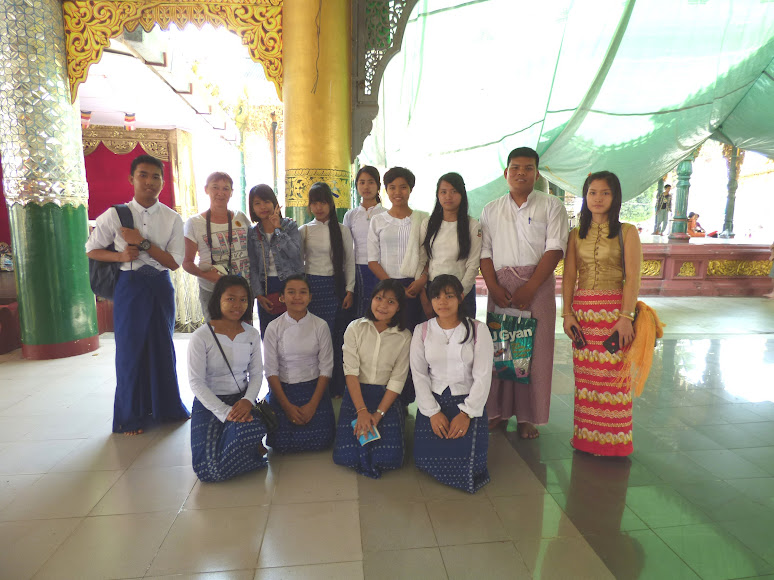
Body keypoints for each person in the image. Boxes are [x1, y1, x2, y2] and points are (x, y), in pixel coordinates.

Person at [85, 154, 189, 434]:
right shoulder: (115, 215)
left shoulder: (172, 218)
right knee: (130, 351)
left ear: (163, 182)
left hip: (159, 285)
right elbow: (91, 249)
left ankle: (168, 408)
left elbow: (174, 262)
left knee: (162, 347)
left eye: (156, 176)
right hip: (130, 286)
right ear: (131, 179)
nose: (150, 182)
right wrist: (120, 256)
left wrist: (141, 243)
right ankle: (130, 417)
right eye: (143, 175)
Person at [480, 146, 569, 439]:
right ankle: (500, 413)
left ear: (536, 173)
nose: (521, 173)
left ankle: (527, 417)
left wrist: (530, 288)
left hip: (538, 287)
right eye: (515, 168)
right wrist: (493, 286)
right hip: (501, 288)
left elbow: (555, 249)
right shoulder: (490, 209)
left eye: (528, 168)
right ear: (506, 173)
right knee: (503, 353)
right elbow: (485, 252)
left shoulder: (551, 206)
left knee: (533, 355)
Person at [562, 171, 642, 456]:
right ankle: (586, 439)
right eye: (592, 192)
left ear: (614, 197)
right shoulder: (575, 234)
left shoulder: (627, 232)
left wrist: (625, 317)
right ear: (585, 196)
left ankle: (615, 443)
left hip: (613, 314)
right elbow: (569, 275)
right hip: (583, 315)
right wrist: (567, 314)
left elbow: (632, 278)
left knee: (615, 380)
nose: (598, 198)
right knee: (586, 381)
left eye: (605, 192)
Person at [411, 275, 494, 493]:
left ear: (460, 297)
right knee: (425, 460)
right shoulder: (422, 330)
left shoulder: (478, 330)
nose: (442, 302)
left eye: (449, 296)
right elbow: (419, 375)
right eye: (436, 297)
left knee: (467, 466)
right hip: (434, 401)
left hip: (466, 402)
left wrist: (466, 413)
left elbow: (483, 376)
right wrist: (432, 413)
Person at [188, 276, 267, 481]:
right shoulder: (201, 336)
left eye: (243, 300)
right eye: (230, 299)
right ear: (218, 300)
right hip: (210, 403)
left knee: (247, 430)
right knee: (208, 472)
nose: (237, 305)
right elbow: (196, 382)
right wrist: (224, 412)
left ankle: (248, 450)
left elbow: (257, 373)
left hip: (241, 400)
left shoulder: (251, 334)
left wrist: (247, 401)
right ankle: (247, 455)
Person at [333, 279, 411, 478]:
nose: (383, 305)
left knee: (391, 458)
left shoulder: (404, 336)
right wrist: (361, 411)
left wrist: (377, 415)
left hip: (385, 397)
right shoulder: (355, 328)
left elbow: (397, 379)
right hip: (356, 393)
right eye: (379, 298)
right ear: (371, 300)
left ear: (399, 307)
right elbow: (350, 371)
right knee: (346, 457)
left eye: (391, 302)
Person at [263, 274, 336, 453]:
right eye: (291, 292)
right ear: (282, 297)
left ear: (310, 297)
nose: (297, 297)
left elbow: (326, 368)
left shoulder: (320, 325)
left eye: (303, 292)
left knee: (323, 440)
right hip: (284, 390)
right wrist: (286, 406)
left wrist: (312, 405)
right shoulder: (274, 327)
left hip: (314, 389)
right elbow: (271, 370)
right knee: (280, 443)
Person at [299, 182, 355, 397]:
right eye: (314, 203)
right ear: (309, 206)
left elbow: (349, 262)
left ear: (330, 204)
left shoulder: (342, 230)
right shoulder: (304, 231)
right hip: (312, 289)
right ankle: (313, 384)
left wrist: (349, 290)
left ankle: (335, 386)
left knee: (334, 339)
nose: (319, 207)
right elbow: (299, 264)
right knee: (313, 338)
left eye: (323, 202)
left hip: (336, 288)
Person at [182, 172, 251, 321]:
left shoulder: (241, 217)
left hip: (242, 289)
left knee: (244, 335)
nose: (220, 193)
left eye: (226, 188)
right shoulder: (194, 223)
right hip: (211, 289)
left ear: (231, 193)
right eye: (215, 187)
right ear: (206, 189)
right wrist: (208, 276)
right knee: (216, 336)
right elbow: (187, 263)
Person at [418, 172, 482, 318]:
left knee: (463, 337)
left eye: (454, 191)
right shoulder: (428, 224)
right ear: (437, 195)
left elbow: (473, 264)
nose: (448, 196)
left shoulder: (472, 225)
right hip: (434, 291)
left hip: (462, 290)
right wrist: (423, 293)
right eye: (444, 192)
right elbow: (422, 259)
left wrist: (460, 295)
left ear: (462, 194)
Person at [246, 184, 303, 336]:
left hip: (289, 284)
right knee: (269, 334)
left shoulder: (290, 226)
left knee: (292, 332)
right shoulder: (253, 232)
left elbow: (295, 254)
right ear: (252, 208)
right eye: (257, 203)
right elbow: (252, 266)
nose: (263, 207)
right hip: (266, 287)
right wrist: (258, 295)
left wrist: (278, 230)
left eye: (266, 201)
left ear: (274, 203)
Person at [343, 166, 387, 318]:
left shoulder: (386, 214)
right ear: (356, 186)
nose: (366, 187)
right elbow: (347, 248)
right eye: (362, 182)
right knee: (362, 311)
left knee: (382, 309)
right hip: (359, 269)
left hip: (382, 269)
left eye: (371, 182)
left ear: (378, 186)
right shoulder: (351, 215)